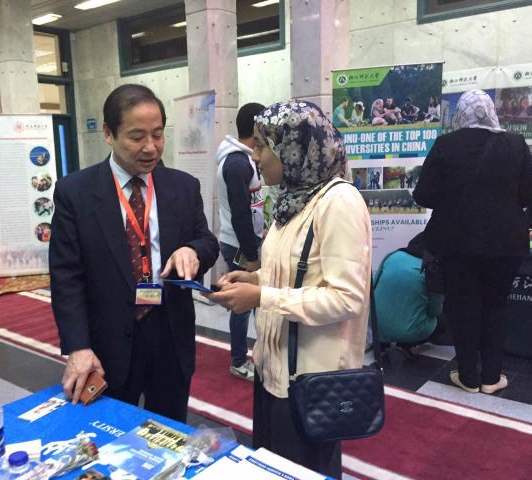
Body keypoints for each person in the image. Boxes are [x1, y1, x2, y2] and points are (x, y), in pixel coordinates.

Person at [208, 100, 371, 477]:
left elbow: (347, 298)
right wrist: (254, 279)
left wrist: (262, 296)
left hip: (312, 379)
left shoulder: (339, 203)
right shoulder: (293, 199)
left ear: (294, 148)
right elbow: (294, 272)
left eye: (262, 146)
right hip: (273, 370)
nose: (255, 156)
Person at [49, 84, 219, 422]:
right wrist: (78, 346)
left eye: (158, 134)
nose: (150, 147)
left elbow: (207, 242)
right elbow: (66, 276)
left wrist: (193, 250)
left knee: (169, 432)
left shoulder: (183, 187)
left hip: (170, 336)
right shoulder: (76, 193)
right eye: (137, 136)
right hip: (107, 341)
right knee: (106, 431)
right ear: (109, 134)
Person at [413, 90, 532, 395]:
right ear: (490, 111)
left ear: (462, 114)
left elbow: (424, 194)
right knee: (496, 305)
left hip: (457, 242)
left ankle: (468, 376)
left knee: (462, 306)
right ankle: (491, 377)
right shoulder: (515, 144)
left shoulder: (446, 145)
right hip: (506, 243)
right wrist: (523, 223)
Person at [215, 102, 266, 381]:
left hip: (247, 240)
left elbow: (253, 205)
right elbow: (240, 215)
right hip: (239, 245)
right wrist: (252, 255)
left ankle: (259, 353)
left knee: (253, 301)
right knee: (242, 303)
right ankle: (238, 360)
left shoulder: (245, 158)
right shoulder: (236, 163)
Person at [374, 232, 442, 348]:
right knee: (439, 317)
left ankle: (386, 339)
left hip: (374, 324)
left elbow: (374, 286)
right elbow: (435, 311)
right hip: (409, 332)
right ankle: (407, 344)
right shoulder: (433, 271)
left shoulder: (392, 255)